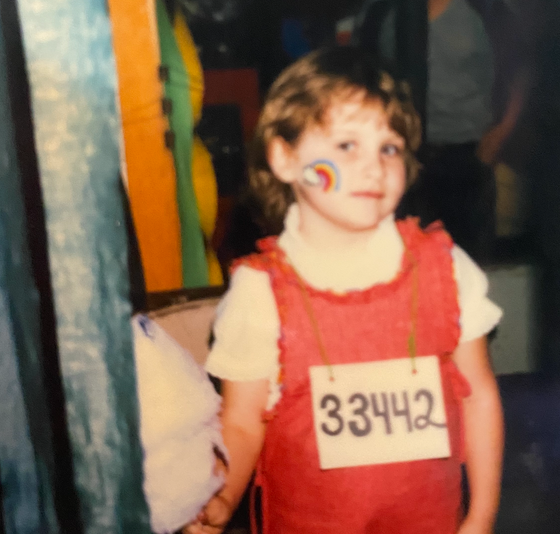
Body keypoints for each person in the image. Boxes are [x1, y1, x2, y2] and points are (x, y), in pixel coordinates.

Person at [184, 46, 504, 534]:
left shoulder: (445, 268)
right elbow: (244, 422)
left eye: (389, 148)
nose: (374, 166)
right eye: (346, 145)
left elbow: (478, 394)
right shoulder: (262, 291)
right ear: (285, 158)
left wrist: (480, 515)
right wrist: (223, 497)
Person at [354, 0, 528, 263]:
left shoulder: (486, 8)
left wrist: (502, 132)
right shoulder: (381, 10)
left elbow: (522, 69)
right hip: (401, 158)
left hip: (467, 156)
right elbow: (358, 71)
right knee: (404, 265)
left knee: (467, 265)